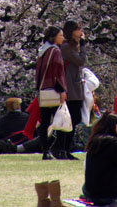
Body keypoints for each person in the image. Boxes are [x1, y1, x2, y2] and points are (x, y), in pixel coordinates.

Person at [35, 25, 67, 160]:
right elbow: (58, 72)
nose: (63, 38)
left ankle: (45, 150)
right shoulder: (55, 51)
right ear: (54, 37)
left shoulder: (42, 51)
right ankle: (58, 149)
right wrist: (62, 90)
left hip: (43, 90)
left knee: (44, 122)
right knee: (60, 120)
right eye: (61, 35)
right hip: (54, 89)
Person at [59, 19, 87, 159]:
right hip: (70, 88)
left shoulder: (70, 46)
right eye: (78, 29)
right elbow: (81, 61)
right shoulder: (66, 47)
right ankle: (62, 148)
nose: (80, 31)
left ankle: (64, 148)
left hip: (74, 86)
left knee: (74, 119)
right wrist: (83, 45)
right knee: (71, 118)